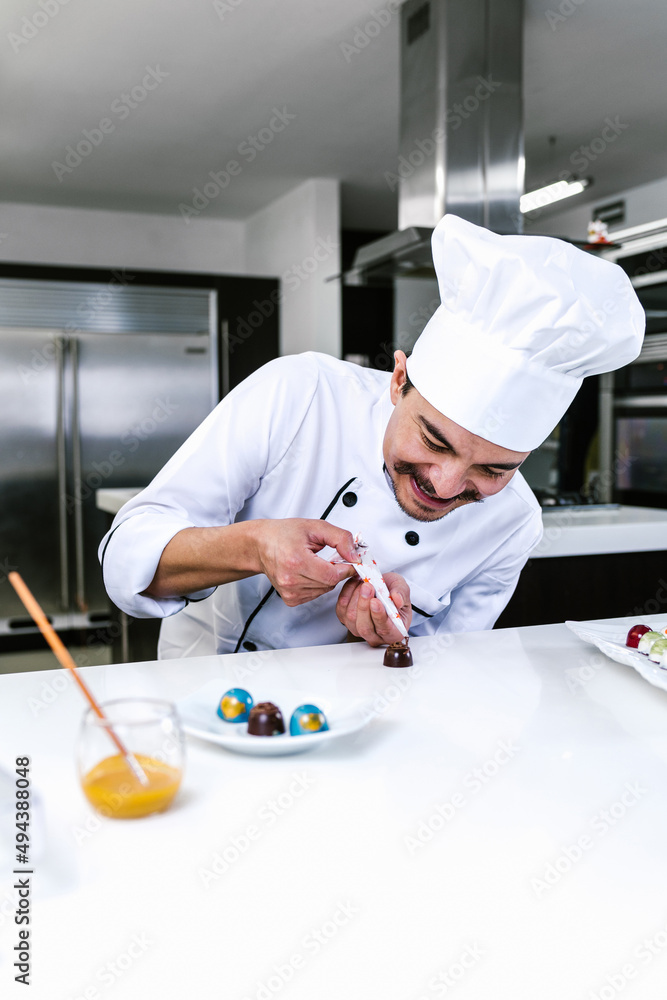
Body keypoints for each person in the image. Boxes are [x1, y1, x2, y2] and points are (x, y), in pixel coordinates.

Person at [99, 215, 645, 658]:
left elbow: (454, 676)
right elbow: (127, 556)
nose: (448, 484)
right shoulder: (301, 392)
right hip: (203, 694)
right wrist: (253, 545)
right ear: (399, 379)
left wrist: (394, 636)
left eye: (494, 469)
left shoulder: (513, 523)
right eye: (435, 441)